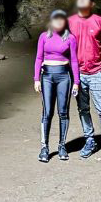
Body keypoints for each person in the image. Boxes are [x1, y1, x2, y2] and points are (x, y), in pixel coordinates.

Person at [68, 0, 101, 162]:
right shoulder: (70, 22)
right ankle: (89, 140)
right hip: (78, 75)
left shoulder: (100, 21)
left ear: (92, 3)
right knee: (83, 109)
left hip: (97, 73)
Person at [34, 9, 80, 162]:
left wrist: (76, 82)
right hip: (47, 76)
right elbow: (39, 58)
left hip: (64, 77)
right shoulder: (44, 36)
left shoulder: (70, 38)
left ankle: (62, 146)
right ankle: (44, 148)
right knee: (47, 112)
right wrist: (36, 79)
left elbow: (74, 60)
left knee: (63, 112)